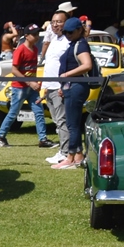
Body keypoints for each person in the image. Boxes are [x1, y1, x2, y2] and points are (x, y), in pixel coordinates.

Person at [0, 25, 55, 148]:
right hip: (20, 87)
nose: (37, 37)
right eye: (34, 34)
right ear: (26, 36)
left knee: (39, 112)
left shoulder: (35, 50)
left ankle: (43, 139)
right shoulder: (20, 50)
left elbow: (32, 69)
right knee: (13, 113)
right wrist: (29, 82)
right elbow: (14, 70)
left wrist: (36, 82)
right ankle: (0, 136)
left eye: (38, 34)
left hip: (31, 88)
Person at [52, 17, 95, 169]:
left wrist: (67, 75)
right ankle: (77, 155)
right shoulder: (75, 43)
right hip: (71, 86)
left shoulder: (81, 45)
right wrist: (63, 85)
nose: (67, 34)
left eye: (70, 32)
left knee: (72, 125)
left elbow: (87, 65)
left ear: (79, 30)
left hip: (76, 87)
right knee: (73, 123)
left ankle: (70, 157)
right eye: (65, 32)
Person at [40, 11, 72, 164]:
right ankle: (63, 150)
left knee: (62, 121)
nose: (55, 24)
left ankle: (66, 153)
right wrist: (45, 88)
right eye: (53, 22)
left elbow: (68, 65)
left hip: (59, 87)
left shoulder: (68, 41)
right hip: (50, 86)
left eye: (59, 21)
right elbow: (50, 65)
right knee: (57, 121)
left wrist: (64, 86)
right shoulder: (54, 40)